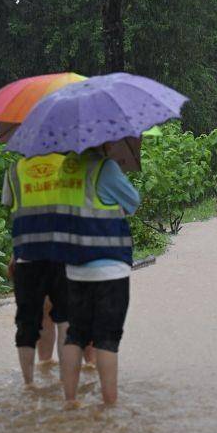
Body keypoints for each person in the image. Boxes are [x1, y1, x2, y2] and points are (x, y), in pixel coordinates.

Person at [59, 146, 140, 407]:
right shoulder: (106, 168)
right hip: (109, 266)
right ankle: (109, 405)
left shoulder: (66, 169)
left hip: (75, 267)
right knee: (107, 337)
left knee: (76, 335)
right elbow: (133, 202)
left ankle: (70, 400)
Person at [2, 158, 71, 385]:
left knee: (27, 321)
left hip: (26, 255)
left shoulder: (15, 169)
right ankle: (67, 384)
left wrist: (14, 252)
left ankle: (29, 384)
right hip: (62, 253)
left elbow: (12, 208)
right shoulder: (68, 165)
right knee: (64, 319)